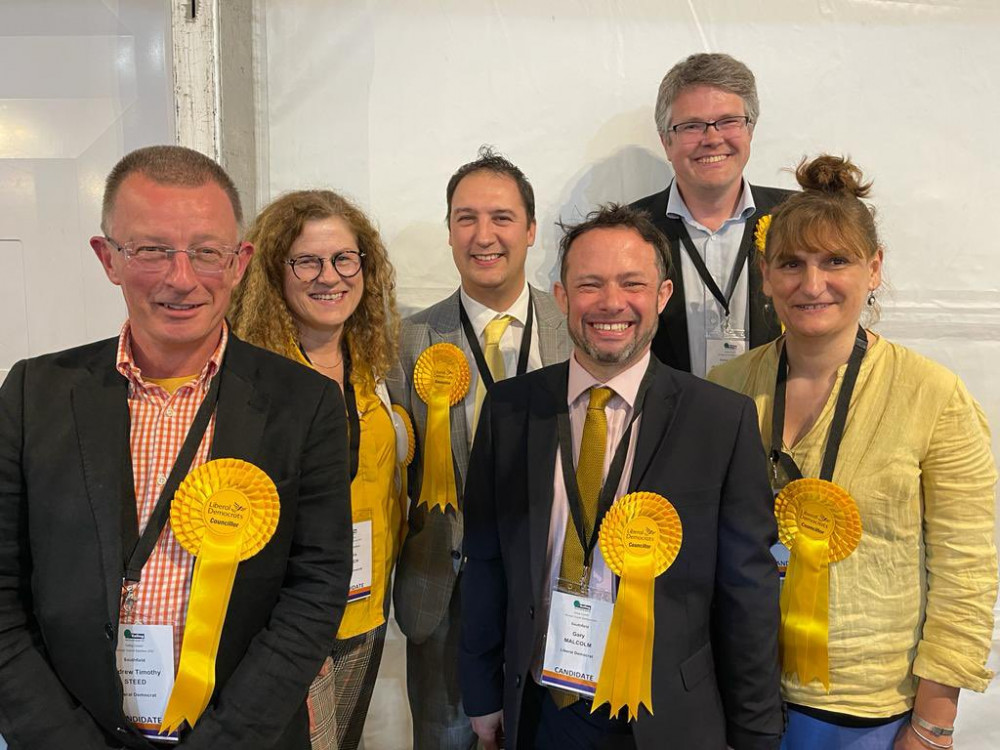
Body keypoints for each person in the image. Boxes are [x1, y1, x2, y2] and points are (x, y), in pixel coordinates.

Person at [0, 145, 352, 749]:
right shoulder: (35, 393)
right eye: (151, 249)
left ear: (239, 261)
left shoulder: (305, 404)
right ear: (107, 257)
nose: (181, 278)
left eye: (206, 252)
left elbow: (314, 591)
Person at [460, 203, 783, 749]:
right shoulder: (510, 410)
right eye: (590, 284)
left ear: (662, 296)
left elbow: (747, 594)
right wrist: (483, 692)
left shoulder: (720, 420)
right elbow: (487, 559)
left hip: (666, 720)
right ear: (562, 297)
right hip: (541, 712)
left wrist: (754, 734)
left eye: (632, 283)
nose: (611, 303)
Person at [708, 155, 997, 750]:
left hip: (868, 713)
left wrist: (933, 723)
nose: (812, 285)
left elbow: (967, 569)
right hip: (739, 698)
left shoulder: (932, 395)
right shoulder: (725, 388)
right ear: (766, 275)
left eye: (835, 261)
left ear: (875, 269)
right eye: (792, 264)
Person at [387, 146, 571, 749]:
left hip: (551, 589)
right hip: (445, 596)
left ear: (531, 230)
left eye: (501, 217)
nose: (483, 235)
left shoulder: (578, 329)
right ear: (448, 231)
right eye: (466, 218)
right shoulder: (406, 340)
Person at [229, 189, 409, 750]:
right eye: (306, 260)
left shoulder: (375, 362)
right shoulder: (248, 375)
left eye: (343, 259)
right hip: (288, 622)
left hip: (365, 611)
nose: (328, 276)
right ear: (274, 271)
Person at [631, 52, 791, 376]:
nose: (713, 139)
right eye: (692, 126)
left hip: (777, 418)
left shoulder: (798, 220)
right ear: (666, 141)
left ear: (751, 130)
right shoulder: (629, 231)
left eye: (729, 121)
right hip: (667, 421)